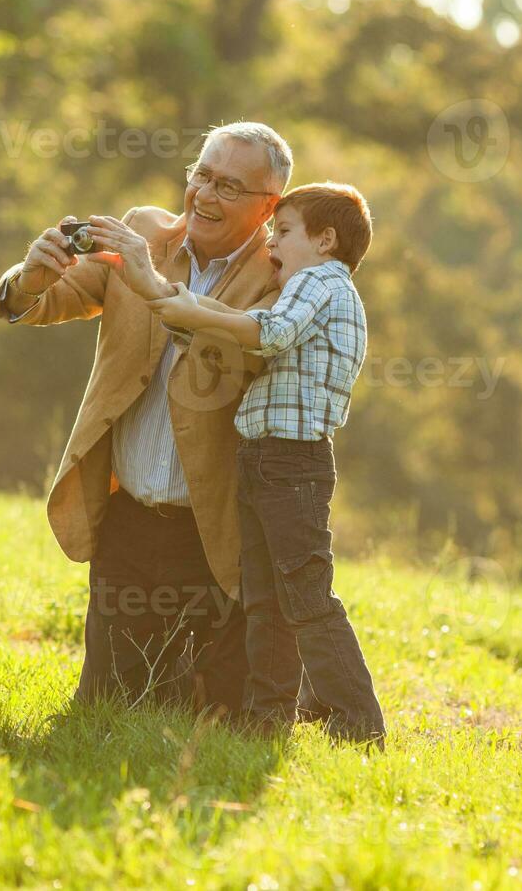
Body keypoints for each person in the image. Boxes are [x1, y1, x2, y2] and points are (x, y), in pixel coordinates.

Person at [0, 122, 293, 715]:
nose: (205, 195)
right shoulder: (142, 232)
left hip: (212, 533)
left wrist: (151, 284)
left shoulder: (282, 275)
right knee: (105, 705)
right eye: (201, 175)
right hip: (125, 519)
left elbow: (243, 352)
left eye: (229, 186)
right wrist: (30, 277)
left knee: (208, 712)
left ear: (269, 206)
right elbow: (44, 301)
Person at [101, 181, 386, 744]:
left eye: (283, 233)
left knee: (305, 596)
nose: (271, 246)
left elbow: (270, 335)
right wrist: (180, 307)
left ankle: (357, 722)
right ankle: (267, 716)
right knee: (264, 599)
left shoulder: (319, 281)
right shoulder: (312, 283)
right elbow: (245, 333)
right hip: (264, 462)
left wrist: (185, 307)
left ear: (325, 240)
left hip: (291, 465)